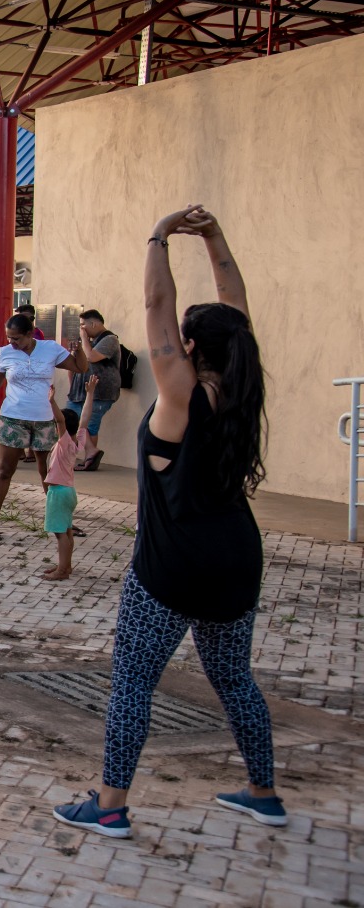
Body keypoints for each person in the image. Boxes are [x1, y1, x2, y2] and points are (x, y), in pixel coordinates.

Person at [54, 205, 284, 838]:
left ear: (189, 349)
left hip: (172, 567)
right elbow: (232, 314)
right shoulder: (241, 390)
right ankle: (263, 791)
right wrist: (212, 236)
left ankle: (108, 804)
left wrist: (159, 233)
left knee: (133, 681)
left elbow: (157, 302)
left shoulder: (180, 395)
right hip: (237, 558)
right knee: (234, 677)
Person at [0, 313, 89, 540]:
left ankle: (62, 524)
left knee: (50, 474)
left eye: (16, 338)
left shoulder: (50, 349)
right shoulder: (5, 353)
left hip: (44, 419)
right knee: (5, 471)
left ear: (29, 334)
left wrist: (79, 352)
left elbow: (80, 367)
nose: (11, 343)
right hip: (13, 417)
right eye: (8, 338)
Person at [42, 378, 98, 581]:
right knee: (67, 532)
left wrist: (52, 401)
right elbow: (85, 418)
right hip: (69, 492)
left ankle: (62, 571)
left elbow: (60, 421)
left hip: (59, 493)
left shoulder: (65, 441)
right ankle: (65, 566)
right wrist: (90, 393)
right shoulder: (78, 440)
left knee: (60, 534)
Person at [67, 310, 123, 470]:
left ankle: (89, 459)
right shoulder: (86, 341)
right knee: (70, 420)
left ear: (94, 324)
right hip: (78, 392)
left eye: (83, 325)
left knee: (90, 426)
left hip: (100, 392)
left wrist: (84, 339)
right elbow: (74, 363)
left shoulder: (110, 339)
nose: (81, 329)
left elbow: (92, 357)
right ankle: (91, 453)